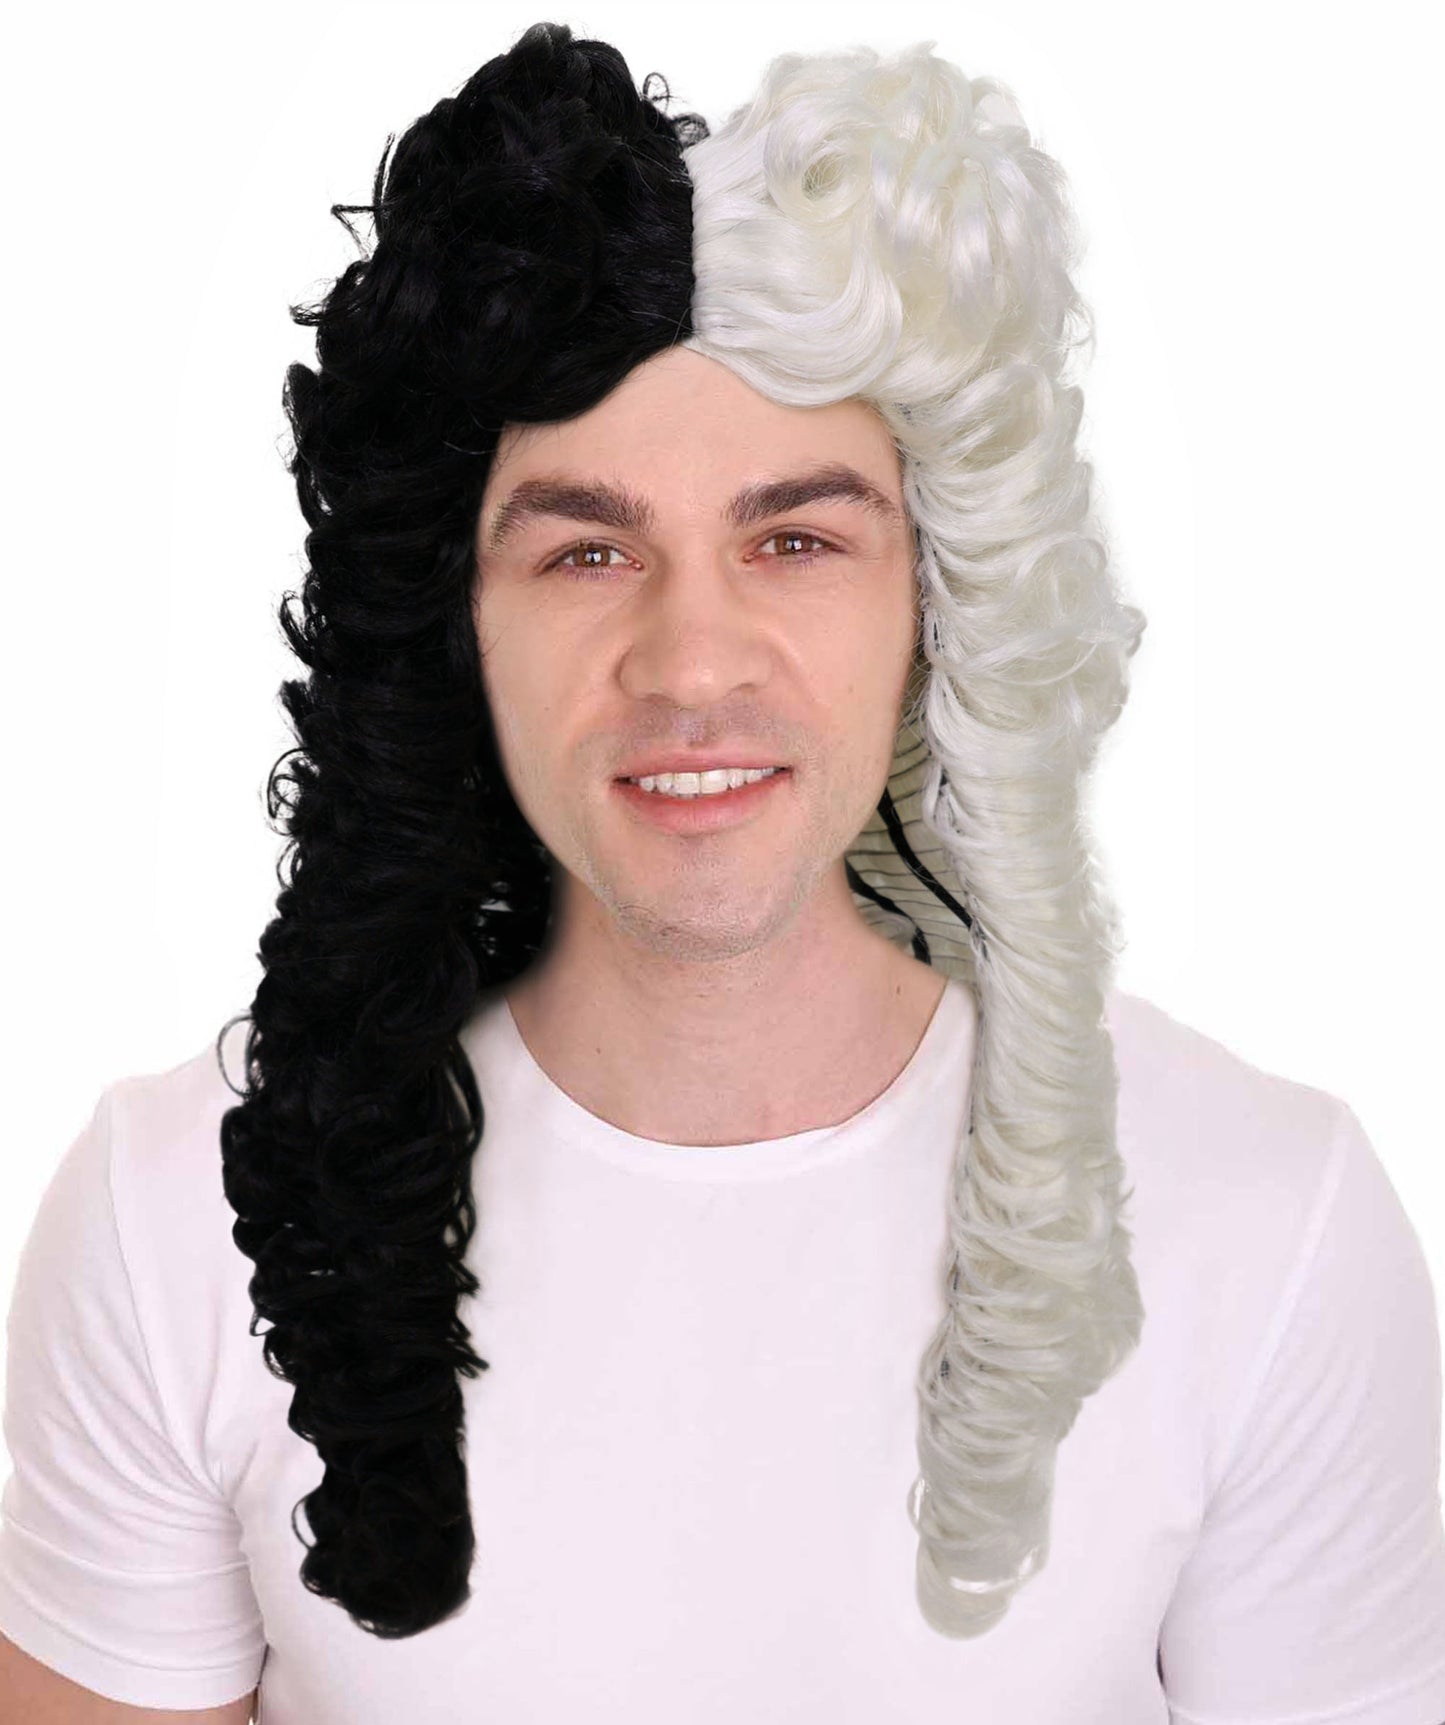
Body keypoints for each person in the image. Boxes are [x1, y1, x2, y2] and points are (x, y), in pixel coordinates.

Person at [2, 20, 1443, 1724]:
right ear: (455, 622)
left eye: (796, 538)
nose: (691, 660)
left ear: (939, 601)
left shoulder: (1264, 1222)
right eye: (586, 550)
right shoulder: (174, 1216)